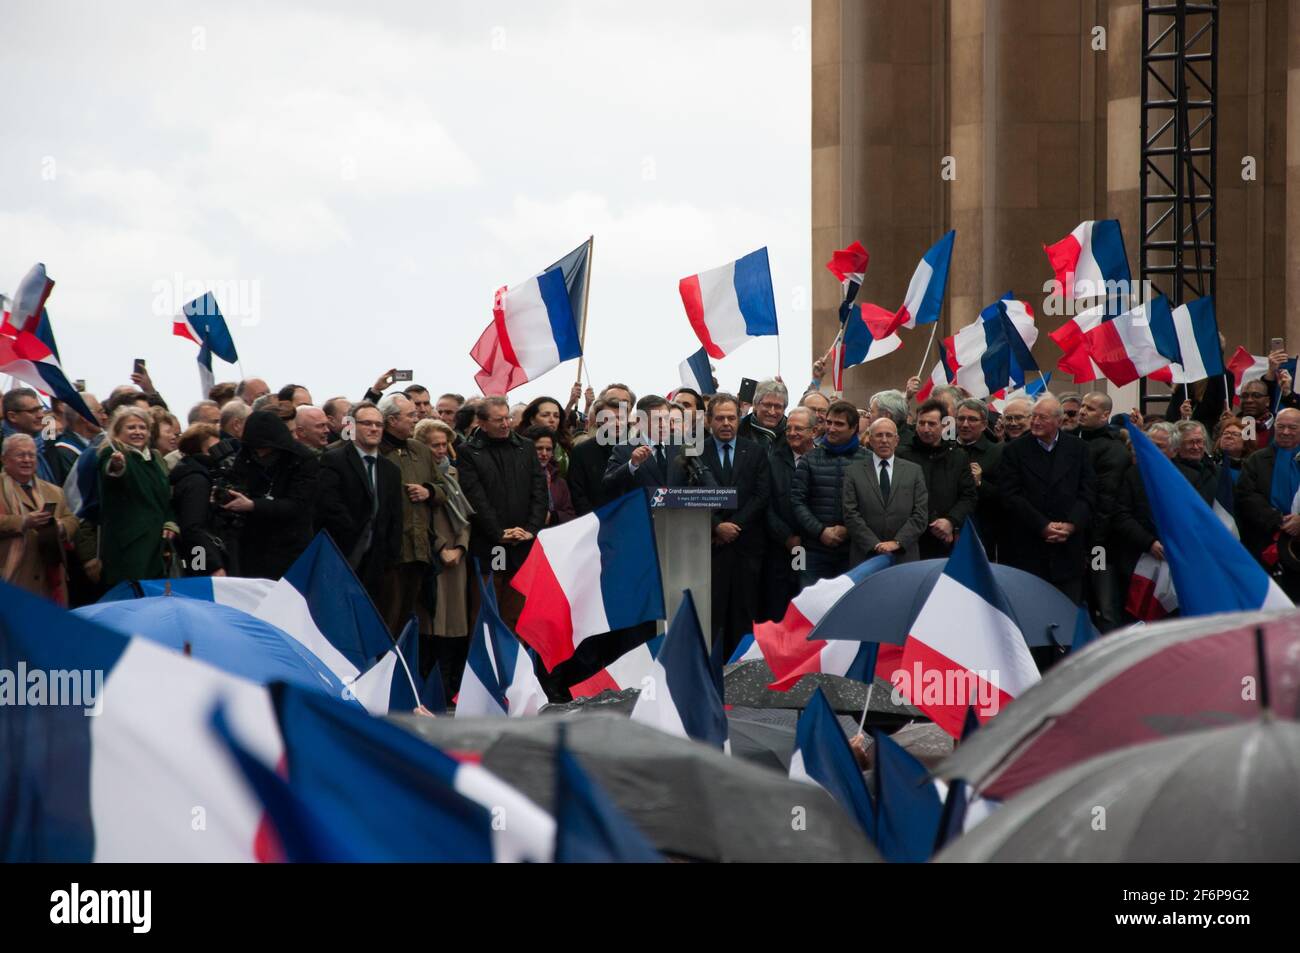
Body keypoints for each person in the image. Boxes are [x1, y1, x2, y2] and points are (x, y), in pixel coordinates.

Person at [456, 396, 548, 628]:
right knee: (485, 613)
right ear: (482, 422)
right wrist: (498, 532)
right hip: (490, 546)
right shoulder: (468, 452)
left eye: (507, 417)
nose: (506, 424)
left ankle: (515, 663)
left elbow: (539, 491)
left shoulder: (525, 447)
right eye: (499, 420)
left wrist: (530, 530)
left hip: (523, 545)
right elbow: (475, 498)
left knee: (517, 615)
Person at [997, 396, 1097, 602]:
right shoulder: (1014, 450)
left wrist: (1071, 525)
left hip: (1067, 549)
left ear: (1058, 421)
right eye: (1033, 416)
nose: (1035, 422)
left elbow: (1088, 493)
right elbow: (1010, 495)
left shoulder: (1079, 449)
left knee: (1067, 612)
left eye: (1042, 417)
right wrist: (1042, 525)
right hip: (1028, 547)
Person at [697, 393, 771, 657]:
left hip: (746, 547)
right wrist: (716, 526)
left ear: (739, 420)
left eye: (731, 417)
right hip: (709, 549)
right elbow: (688, 495)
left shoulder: (756, 452)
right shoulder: (693, 452)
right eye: (719, 418)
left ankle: (740, 671)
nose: (726, 423)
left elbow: (762, 495)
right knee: (711, 616)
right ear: (708, 421)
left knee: (744, 614)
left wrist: (733, 527)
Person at [376, 394, 447, 637]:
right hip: (389, 551)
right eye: (410, 416)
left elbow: (442, 486)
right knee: (386, 616)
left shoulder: (419, 449)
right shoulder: (375, 450)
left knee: (407, 617)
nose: (415, 420)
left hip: (419, 549)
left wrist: (429, 491)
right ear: (392, 420)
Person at [317, 402, 402, 603]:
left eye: (378, 425)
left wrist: (390, 557)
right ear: (352, 426)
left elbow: (395, 516)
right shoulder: (333, 460)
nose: (374, 429)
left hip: (377, 563)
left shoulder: (390, 470)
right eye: (367, 423)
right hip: (341, 556)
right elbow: (328, 506)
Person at [221, 410, 321, 581]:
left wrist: (253, 505)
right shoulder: (246, 456)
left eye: (265, 450)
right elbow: (236, 482)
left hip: (290, 545)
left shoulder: (303, 459)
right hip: (252, 545)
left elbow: (298, 505)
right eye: (256, 450)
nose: (260, 455)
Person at [415, 418, 473, 698]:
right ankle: (427, 690)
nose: (440, 450)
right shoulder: (417, 477)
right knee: (431, 626)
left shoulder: (454, 474)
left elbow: (465, 519)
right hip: (433, 557)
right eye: (434, 445)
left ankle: (449, 688)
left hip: (457, 559)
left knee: (455, 628)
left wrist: (460, 547)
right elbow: (418, 521)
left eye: (444, 444)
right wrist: (441, 548)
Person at [97, 406, 178, 585]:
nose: (138, 432)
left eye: (142, 427)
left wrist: (170, 522)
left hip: (157, 544)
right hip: (129, 546)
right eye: (131, 427)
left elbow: (165, 499)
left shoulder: (155, 459)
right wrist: (117, 466)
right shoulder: (112, 453)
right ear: (118, 431)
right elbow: (112, 473)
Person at [790, 399, 867, 582]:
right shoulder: (810, 459)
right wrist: (820, 531)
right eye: (829, 422)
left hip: (853, 551)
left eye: (839, 424)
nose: (831, 428)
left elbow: (873, 503)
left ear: (854, 427)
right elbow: (797, 501)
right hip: (814, 550)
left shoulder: (868, 460)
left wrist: (849, 530)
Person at [0, 433, 79, 603]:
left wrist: (60, 526)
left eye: (32, 455)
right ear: (4, 459)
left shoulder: (53, 491)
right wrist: (23, 521)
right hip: (11, 574)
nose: (27, 460)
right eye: (20, 455)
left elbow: (71, 519)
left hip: (49, 578)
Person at [1076, 391, 1130, 631]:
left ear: (1105, 415)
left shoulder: (1113, 450)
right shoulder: (1072, 441)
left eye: (1090, 408)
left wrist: (1094, 545)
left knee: (1104, 603)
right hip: (1077, 539)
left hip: (1101, 544)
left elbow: (1106, 501)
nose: (1082, 411)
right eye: (1082, 406)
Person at [898, 398, 977, 559]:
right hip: (909, 537)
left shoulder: (958, 456)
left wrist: (950, 521)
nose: (925, 429)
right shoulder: (902, 455)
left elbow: (969, 496)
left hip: (945, 538)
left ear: (944, 425)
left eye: (932, 424)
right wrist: (933, 522)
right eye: (921, 423)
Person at [842, 417, 929, 565]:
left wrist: (897, 542)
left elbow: (920, 513)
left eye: (889, 435)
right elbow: (850, 513)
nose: (884, 440)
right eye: (879, 435)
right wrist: (874, 544)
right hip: (865, 556)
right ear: (870, 439)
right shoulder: (853, 471)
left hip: (904, 555)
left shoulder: (914, 471)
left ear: (897, 440)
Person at [1235, 408, 1300, 597]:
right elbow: (1246, 496)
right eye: (1281, 426)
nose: (1286, 432)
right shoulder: (1256, 460)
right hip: (1265, 542)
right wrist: (1280, 520)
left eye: (1292, 427)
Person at [761, 405, 816, 621]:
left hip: (813, 547)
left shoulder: (823, 459)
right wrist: (786, 536)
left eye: (799, 429)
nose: (792, 433)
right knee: (778, 607)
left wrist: (809, 534)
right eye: (789, 428)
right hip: (779, 547)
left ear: (814, 431)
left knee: (805, 603)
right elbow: (765, 503)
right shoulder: (772, 460)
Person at [603, 395, 694, 493]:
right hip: (643, 507)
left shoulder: (682, 444)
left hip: (680, 507)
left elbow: (702, 477)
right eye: (656, 419)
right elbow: (608, 485)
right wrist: (632, 465)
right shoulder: (623, 449)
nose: (663, 424)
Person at [169, 423, 227, 576]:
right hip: (201, 560)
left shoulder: (187, 472)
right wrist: (210, 566)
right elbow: (192, 528)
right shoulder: (196, 480)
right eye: (213, 449)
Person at [954, 398, 1002, 543]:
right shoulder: (945, 449)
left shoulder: (997, 452)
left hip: (982, 530)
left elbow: (1003, 496)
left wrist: (980, 483)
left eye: (972, 419)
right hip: (947, 529)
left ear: (984, 425)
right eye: (961, 418)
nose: (965, 424)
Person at [567, 399, 621, 515]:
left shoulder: (634, 449)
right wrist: (594, 520)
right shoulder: (581, 451)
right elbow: (577, 493)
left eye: (620, 418)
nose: (617, 423)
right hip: (595, 522)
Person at [49, 393, 105, 486]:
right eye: (100, 412)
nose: (104, 417)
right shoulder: (64, 451)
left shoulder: (98, 443)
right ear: (85, 417)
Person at [2, 388, 55, 483]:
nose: (41, 415)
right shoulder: (3, 447)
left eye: (40, 409)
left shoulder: (48, 444)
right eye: (33, 411)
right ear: (12, 416)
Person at [527, 426, 575, 525]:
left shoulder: (560, 482)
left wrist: (553, 517)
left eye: (548, 449)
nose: (544, 453)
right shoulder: (515, 477)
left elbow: (570, 515)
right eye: (539, 448)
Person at [519, 395, 574, 477]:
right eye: (545, 415)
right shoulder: (518, 446)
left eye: (556, 416)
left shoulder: (566, 447)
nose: (552, 420)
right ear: (532, 420)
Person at [1172, 420, 1218, 505]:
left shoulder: (1216, 471)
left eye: (1199, 441)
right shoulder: (1171, 472)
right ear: (1177, 444)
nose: (1196, 447)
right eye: (1190, 442)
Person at [738, 379, 787, 448]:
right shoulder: (738, 430)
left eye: (778, 406)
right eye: (767, 405)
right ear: (755, 405)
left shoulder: (793, 435)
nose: (772, 412)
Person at [1212, 415, 1253, 482]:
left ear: (1245, 444)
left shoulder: (1250, 470)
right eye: (1225, 433)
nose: (1228, 436)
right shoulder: (1209, 463)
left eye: (1235, 434)